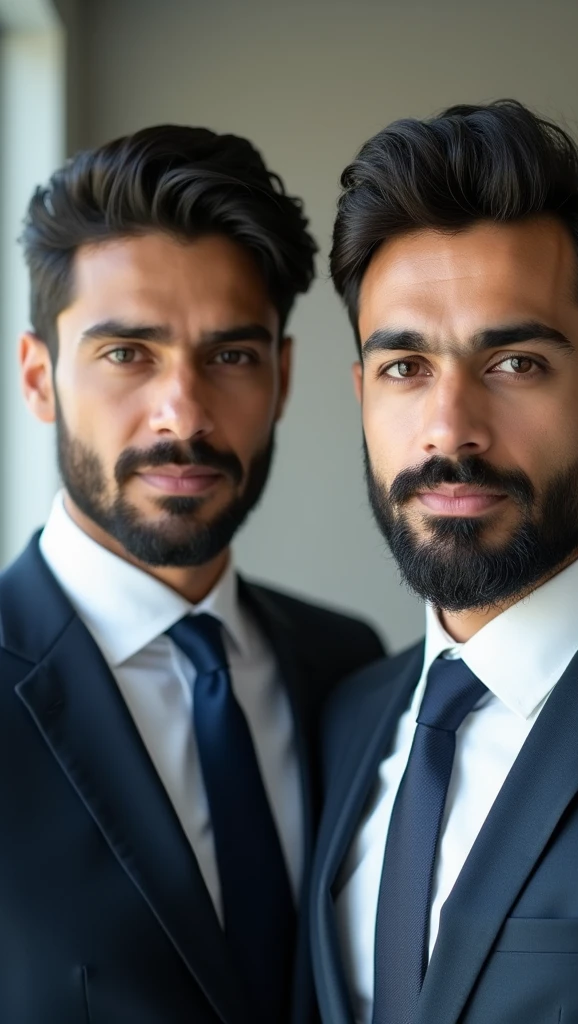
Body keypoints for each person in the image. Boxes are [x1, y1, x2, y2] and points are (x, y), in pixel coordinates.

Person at [311, 99, 578, 1024]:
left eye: (515, 363)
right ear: (361, 396)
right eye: (405, 368)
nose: (449, 430)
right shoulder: (348, 717)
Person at [0, 125, 384, 1024]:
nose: (184, 412)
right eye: (127, 354)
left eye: (232, 355)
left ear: (282, 378)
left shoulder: (348, 669)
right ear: (39, 377)